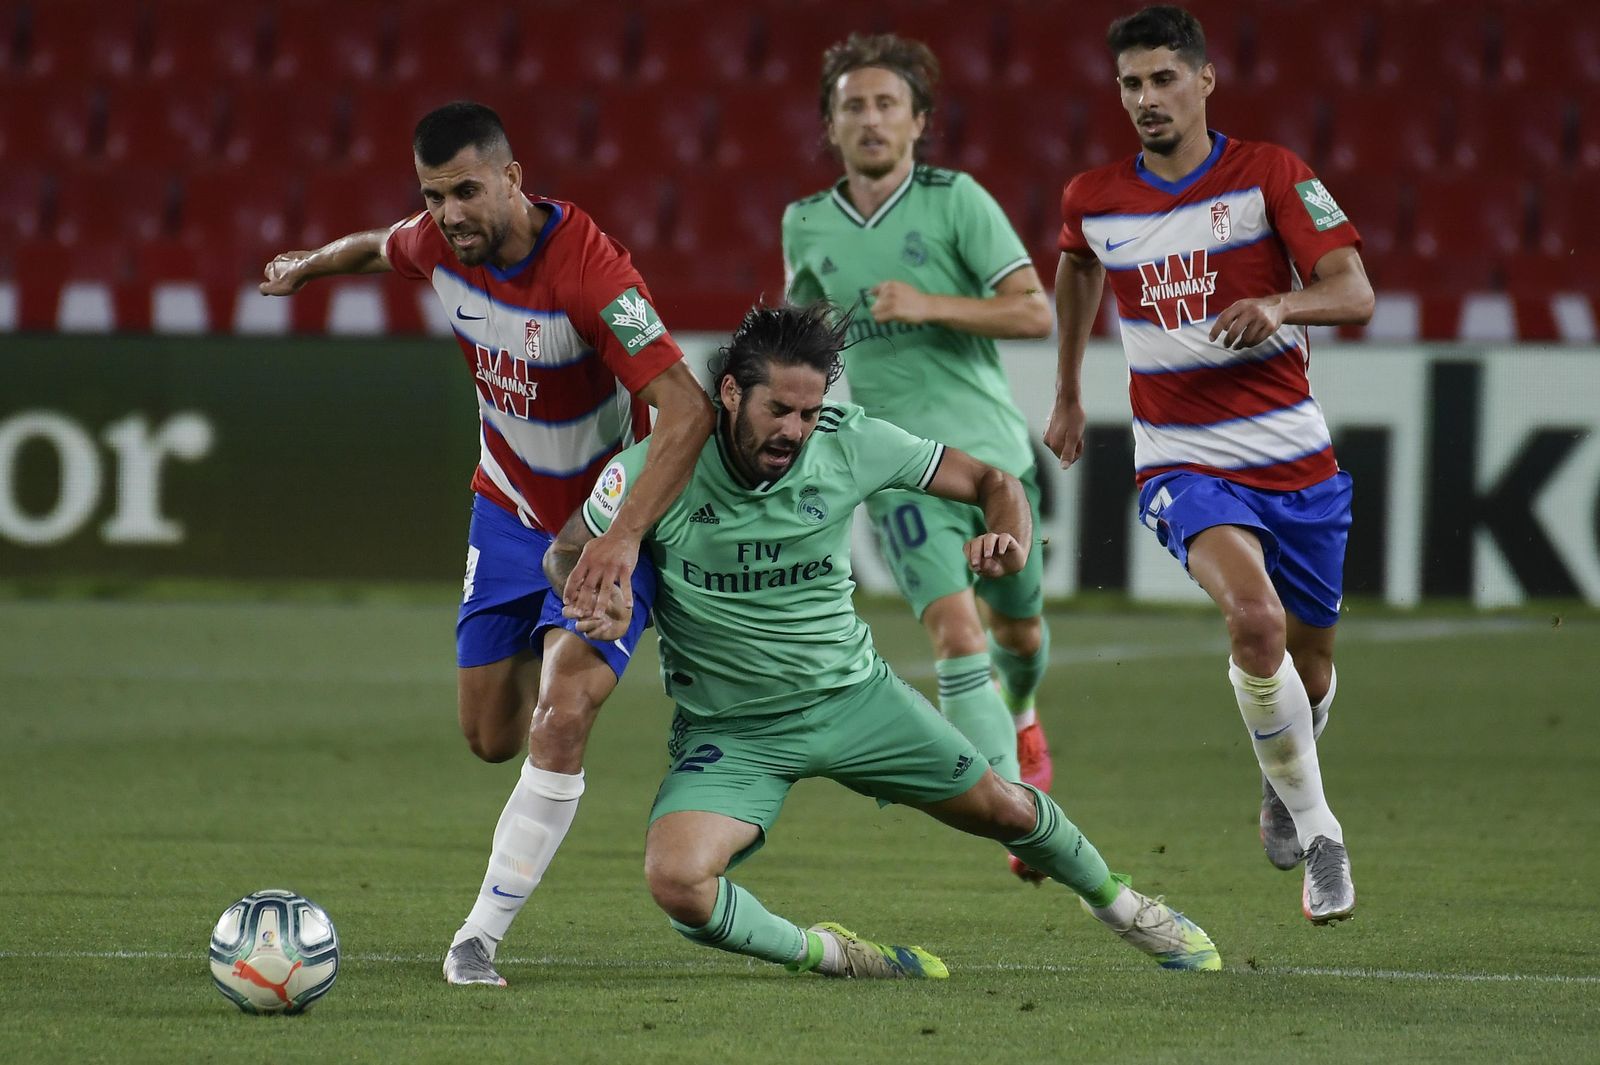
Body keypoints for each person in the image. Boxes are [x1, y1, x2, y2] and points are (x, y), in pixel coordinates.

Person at [550, 302, 1222, 978]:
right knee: (678, 884)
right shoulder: (656, 470)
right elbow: (565, 551)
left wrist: (1009, 537)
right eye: (778, 410)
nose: (794, 431)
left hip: (855, 701)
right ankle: (835, 954)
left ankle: (1125, 906)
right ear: (729, 391)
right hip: (734, 729)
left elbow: (995, 480)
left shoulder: (849, 441)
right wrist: (603, 597)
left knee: (1008, 808)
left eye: (808, 414)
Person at [258, 101, 715, 983]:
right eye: (433, 197)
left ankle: (477, 939)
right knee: (490, 735)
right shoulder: (435, 243)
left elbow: (687, 410)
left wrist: (619, 540)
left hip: (599, 525)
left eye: (466, 190)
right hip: (504, 513)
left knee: (560, 714)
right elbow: (370, 244)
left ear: (513, 178)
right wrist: (308, 266)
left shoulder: (592, 272)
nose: (449, 214)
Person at [1045, 6, 1373, 924]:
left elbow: (1355, 290)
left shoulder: (1271, 174)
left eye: (1162, 79)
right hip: (1181, 464)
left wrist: (1280, 303)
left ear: (1203, 80)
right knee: (1255, 620)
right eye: (1130, 85)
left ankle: (1287, 770)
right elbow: (1074, 269)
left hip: (1296, 462)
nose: (1146, 99)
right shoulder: (1094, 197)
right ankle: (1322, 834)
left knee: (1305, 673)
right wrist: (1070, 389)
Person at [780, 36, 1058, 881]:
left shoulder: (956, 201)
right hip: (899, 465)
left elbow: (1035, 311)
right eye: (853, 106)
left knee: (1018, 626)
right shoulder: (806, 223)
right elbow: (802, 344)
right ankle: (1021, 812)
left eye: (886, 104)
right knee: (954, 628)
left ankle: (1027, 713)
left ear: (918, 122)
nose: (870, 119)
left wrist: (930, 303)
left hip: (993, 460)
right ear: (830, 125)